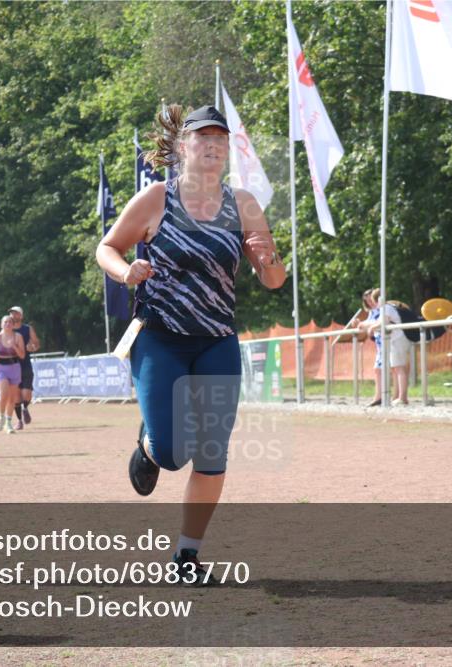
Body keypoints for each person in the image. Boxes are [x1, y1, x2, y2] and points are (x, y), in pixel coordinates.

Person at [96, 104, 285, 582]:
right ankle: (148, 445)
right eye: (204, 138)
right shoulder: (157, 198)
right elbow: (107, 248)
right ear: (183, 148)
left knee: (213, 454)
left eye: (221, 139)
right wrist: (126, 271)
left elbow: (273, 280)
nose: (214, 145)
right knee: (173, 450)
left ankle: (186, 557)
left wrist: (269, 258)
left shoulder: (242, 205)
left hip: (216, 340)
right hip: (160, 337)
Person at [356, 288, 411, 406]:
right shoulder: (384, 308)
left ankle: (401, 397)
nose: (371, 303)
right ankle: (396, 397)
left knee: (398, 369)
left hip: (394, 340)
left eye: (371, 300)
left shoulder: (386, 308)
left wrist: (369, 326)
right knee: (396, 369)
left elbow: (381, 322)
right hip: (391, 341)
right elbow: (378, 322)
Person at [0, 315, 26, 434]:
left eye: (10, 322)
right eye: (5, 322)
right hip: (0, 368)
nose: (8, 324)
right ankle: (0, 418)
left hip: (14, 367)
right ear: (1, 324)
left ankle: (8, 422)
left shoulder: (18, 337)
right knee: (4, 394)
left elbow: (22, 355)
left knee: (12, 398)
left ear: (13, 324)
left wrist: (14, 346)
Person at [8, 306, 40, 429]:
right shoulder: (7, 329)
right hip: (12, 366)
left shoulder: (27, 329)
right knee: (16, 397)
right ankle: (19, 421)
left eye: (16, 313)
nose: (13, 315)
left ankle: (25, 408)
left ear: (21, 316)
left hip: (25, 365)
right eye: (11, 313)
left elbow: (36, 343)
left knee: (27, 395)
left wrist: (32, 347)